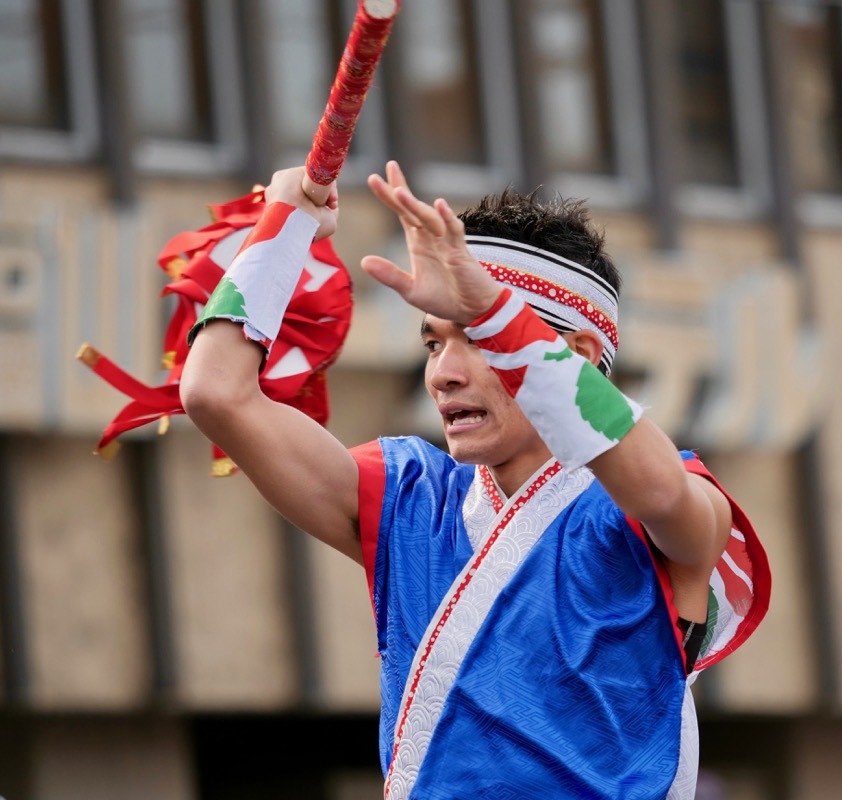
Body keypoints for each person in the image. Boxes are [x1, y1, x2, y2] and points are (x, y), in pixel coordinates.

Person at [179, 161, 770, 798]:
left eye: (479, 340)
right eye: (434, 342)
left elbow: (656, 491)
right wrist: (285, 226)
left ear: (579, 358)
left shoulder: (659, 504)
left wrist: (493, 307)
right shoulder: (412, 499)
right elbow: (217, 394)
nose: (443, 374)